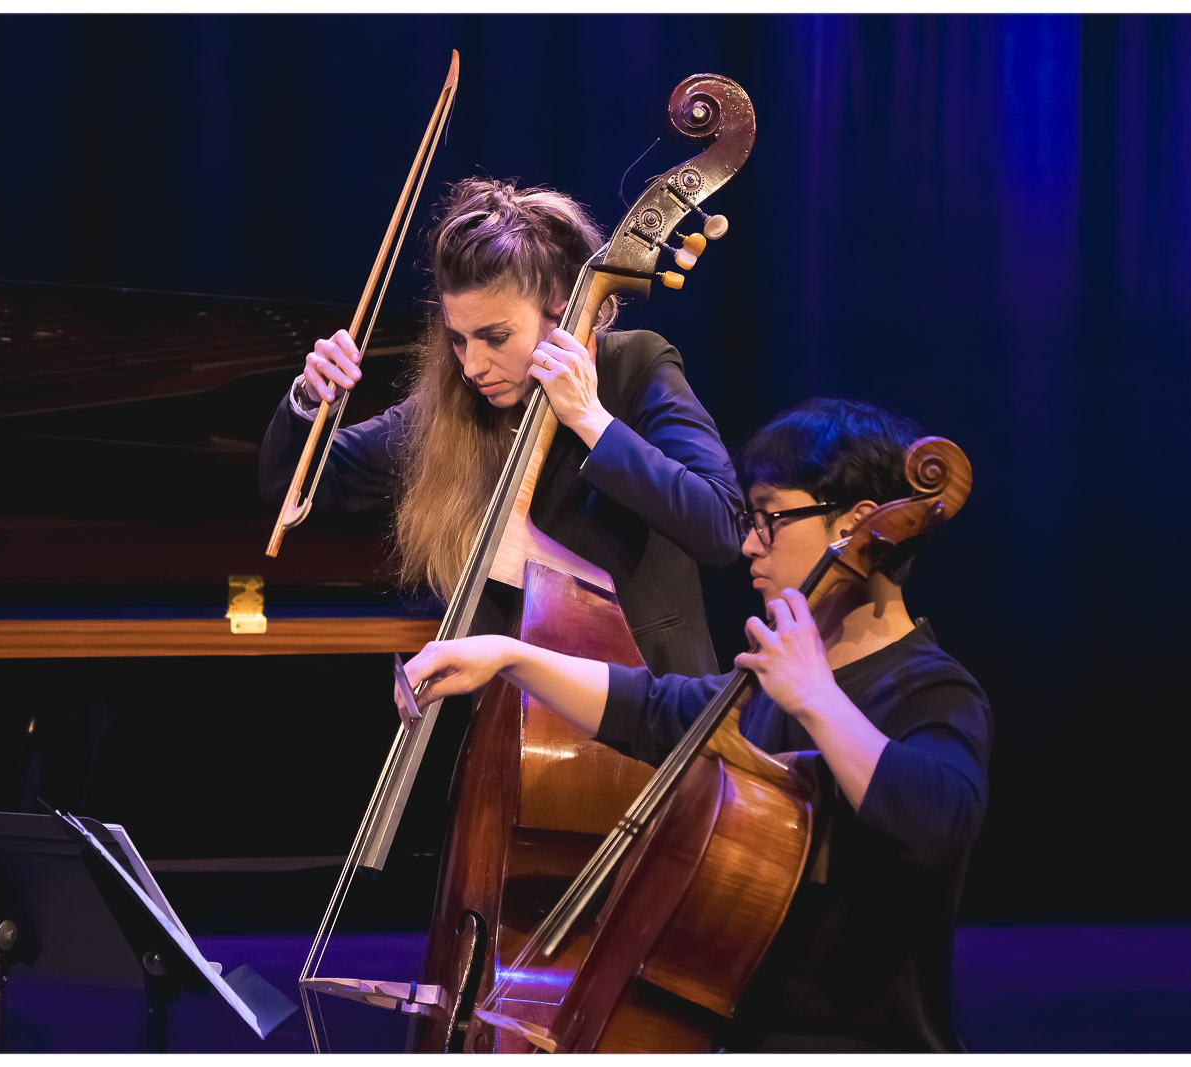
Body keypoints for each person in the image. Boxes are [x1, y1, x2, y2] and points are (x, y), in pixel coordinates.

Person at [397, 397, 993, 1052]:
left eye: (770, 518)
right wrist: (508, 657)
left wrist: (818, 699)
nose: (749, 544)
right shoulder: (771, 685)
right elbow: (649, 706)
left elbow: (940, 821)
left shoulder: (929, 688)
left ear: (851, 525)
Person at [260, 178, 744, 677]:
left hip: (654, 694)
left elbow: (721, 528)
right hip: (512, 710)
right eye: (459, 340)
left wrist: (590, 419)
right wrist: (309, 397)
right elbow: (292, 483)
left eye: (495, 337)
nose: (472, 366)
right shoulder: (451, 411)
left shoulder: (637, 366)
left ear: (561, 313)